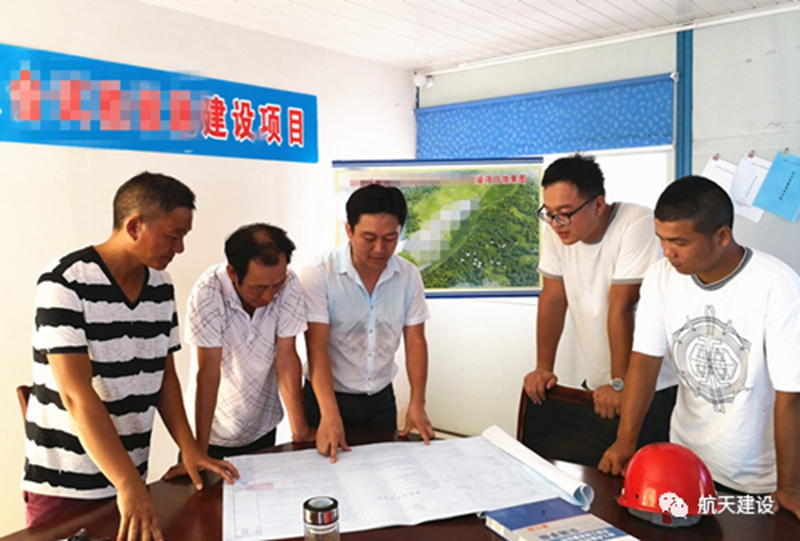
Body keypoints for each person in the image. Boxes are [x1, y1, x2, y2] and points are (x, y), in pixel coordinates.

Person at [21, 172, 238, 540]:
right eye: (174, 235)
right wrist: (127, 483)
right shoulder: (64, 282)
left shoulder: (160, 286)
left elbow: (163, 376)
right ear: (135, 226)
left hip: (130, 477)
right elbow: (75, 394)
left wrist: (189, 448)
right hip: (67, 486)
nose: (180, 248)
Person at [599, 176, 800, 519]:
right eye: (661, 239)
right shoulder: (661, 277)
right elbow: (644, 362)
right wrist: (625, 440)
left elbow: (791, 394)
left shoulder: (777, 286)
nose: (667, 253)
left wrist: (791, 485)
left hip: (755, 477)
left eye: (679, 242)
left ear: (722, 236)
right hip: (685, 464)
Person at [524, 155, 677, 445]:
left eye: (564, 213)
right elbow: (553, 297)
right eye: (549, 213)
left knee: (641, 467)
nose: (556, 223)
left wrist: (620, 383)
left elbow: (622, 306)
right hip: (599, 383)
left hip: (650, 386)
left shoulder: (637, 222)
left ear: (597, 204)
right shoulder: (558, 232)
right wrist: (544, 367)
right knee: (601, 464)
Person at [165, 223, 314, 476]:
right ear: (233, 273)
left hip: (262, 424)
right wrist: (199, 450)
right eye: (259, 288)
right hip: (210, 431)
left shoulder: (288, 284)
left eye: (276, 285)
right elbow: (208, 371)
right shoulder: (208, 292)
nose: (269, 297)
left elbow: (287, 358)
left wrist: (300, 431)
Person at [300, 183, 435, 462]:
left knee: (383, 472)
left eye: (390, 238)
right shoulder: (319, 274)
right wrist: (329, 414)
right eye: (369, 238)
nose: (379, 249)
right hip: (326, 398)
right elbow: (316, 347)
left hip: (381, 400)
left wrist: (417, 402)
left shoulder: (408, 276)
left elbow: (415, 341)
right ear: (349, 230)